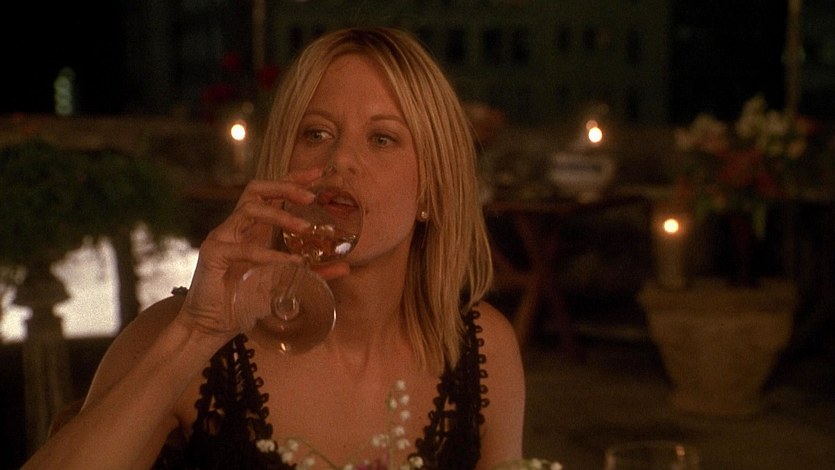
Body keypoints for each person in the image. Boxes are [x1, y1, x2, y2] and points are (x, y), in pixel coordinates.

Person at [23, 26, 525, 470]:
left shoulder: (484, 351)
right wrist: (195, 334)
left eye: (381, 139)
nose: (340, 159)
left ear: (431, 192)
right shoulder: (181, 336)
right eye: (316, 133)